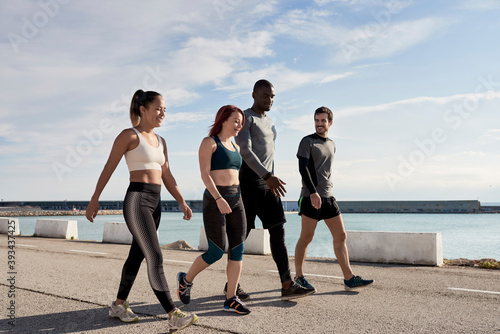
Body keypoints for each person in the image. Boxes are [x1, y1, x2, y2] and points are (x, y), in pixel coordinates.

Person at [85, 90, 198, 332]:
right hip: (137, 201)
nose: (163, 113)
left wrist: (181, 200)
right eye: (158, 108)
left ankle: (117, 305)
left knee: (137, 255)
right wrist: (95, 199)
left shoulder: (161, 141)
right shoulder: (129, 135)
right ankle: (172, 313)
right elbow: (109, 167)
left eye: (165, 109)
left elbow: (167, 174)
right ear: (143, 109)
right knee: (155, 256)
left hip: (155, 203)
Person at [234, 79, 315, 301]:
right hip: (249, 183)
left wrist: (271, 178)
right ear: (254, 94)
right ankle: (232, 285)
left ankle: (287, 283)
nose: (269, 99)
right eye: (265, 95)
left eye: (272, 96)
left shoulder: (271, 123)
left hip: (269, 184)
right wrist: (267, 176)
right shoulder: (245, 118)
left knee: (278, 231)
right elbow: (245, 151)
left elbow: (269, 156)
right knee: (241, 236)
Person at [176, 105, 251, 315]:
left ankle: (231, 299)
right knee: (217, 251)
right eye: (236, 120)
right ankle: (186, 279)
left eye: (241, 121)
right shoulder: (210, 142)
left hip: (237, 199)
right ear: (224, 120)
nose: (239, 125)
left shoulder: (236, 147)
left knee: (238, 250)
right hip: (215, 198)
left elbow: (236, 176)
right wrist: (218, 198)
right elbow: (205, 174)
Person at [294, 106, 373, 292]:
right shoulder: (307, 141)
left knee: (341, 236)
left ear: (330, 122)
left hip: (328, 197)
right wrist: (313, 192)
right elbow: (303, 168)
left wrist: (323, 192)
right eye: (316, 120)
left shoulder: (332, 144)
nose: (319, 124)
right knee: (306, 237)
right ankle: (298, 277)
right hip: (310, 197)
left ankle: (349, 278)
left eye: (323, 121)